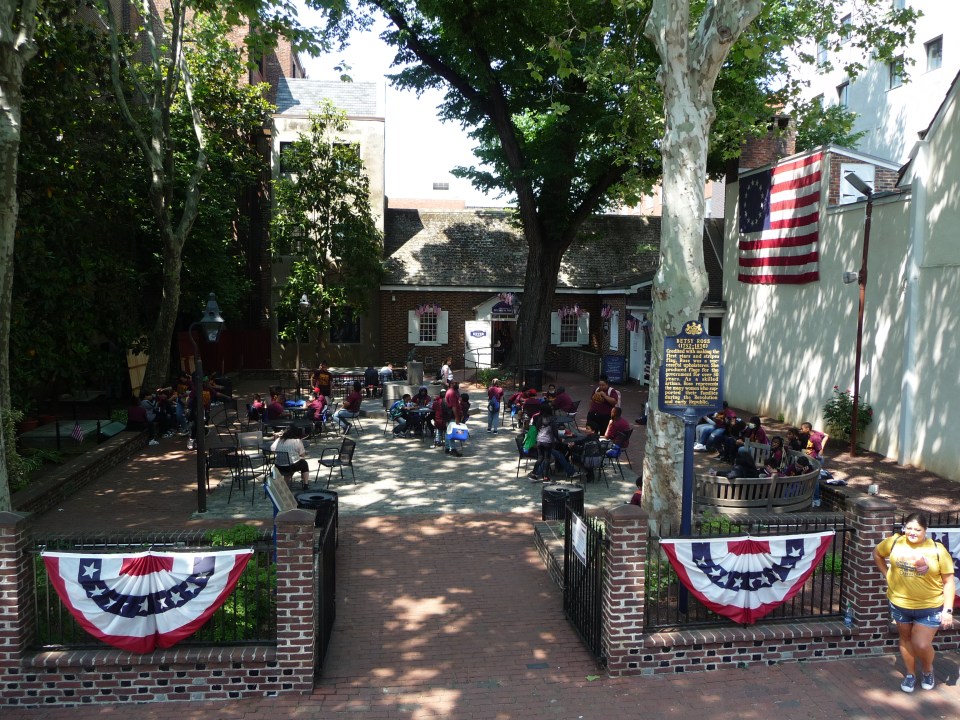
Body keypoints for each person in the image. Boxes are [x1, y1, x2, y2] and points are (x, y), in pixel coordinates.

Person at [874, 513, 955, 693]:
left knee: (921, 644)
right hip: (900, 604)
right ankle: (910, 674)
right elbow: (877, 554)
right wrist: (887, 575)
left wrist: (948, 610)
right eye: (909, 528)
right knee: (905, 639)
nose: (912, 532)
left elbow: (949, 582)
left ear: (925, 530)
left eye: (917, 529)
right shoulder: (895, 542)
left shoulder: (937, 550)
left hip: (929, 606)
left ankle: (927, 670)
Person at [271, 426, 311, 490]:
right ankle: (306, 484)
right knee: (304, 463)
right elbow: (302, 454)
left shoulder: (279, 440)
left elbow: (272, 449)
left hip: (278, 466)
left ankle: (285, 483)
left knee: (292, 463)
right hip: (291, 466)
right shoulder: (297, 441)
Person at [443, 381, 463, 456]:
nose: (457, 384)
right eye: (456, 383)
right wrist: (457, 417)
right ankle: (453, 449)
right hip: (451, 415)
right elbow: (453, 406)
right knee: (452, 432)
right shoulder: (452, 393)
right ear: (451, 384)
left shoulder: (450, 391)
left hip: (449, 415)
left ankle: (447, 448)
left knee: (448, 431)